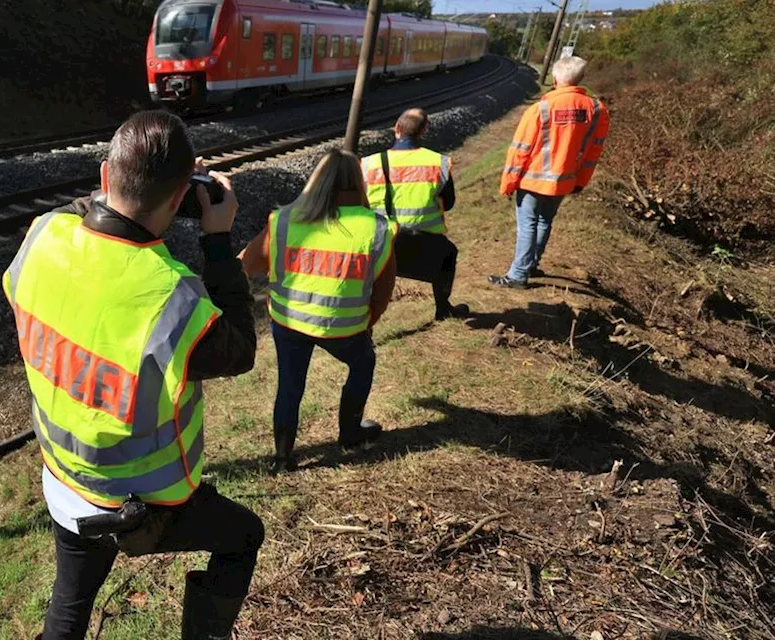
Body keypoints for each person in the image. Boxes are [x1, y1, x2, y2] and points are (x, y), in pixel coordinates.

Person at [2, 110, 265, 640]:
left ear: (103, 179)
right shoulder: (175, 301)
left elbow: (84, 210)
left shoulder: (42, 236)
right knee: (243, 536)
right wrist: (217, 239)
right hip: (144, 506)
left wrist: (133, 185)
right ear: (177, 201)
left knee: (70, 603)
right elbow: (241, 353)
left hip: (64, 480)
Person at [238, 149, 398, 474]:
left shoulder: (283, 221)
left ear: (315, 180)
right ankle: (351, 436)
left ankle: (283, 459)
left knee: (290, 386)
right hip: (345, 328)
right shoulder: (377, 230)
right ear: (359, 183)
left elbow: (246, 265)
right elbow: (382, 294)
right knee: (363, 362)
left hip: (288, 321)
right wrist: (366, 324)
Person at [489, 56, 610, 288]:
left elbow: (520, 150)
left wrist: (508, 182)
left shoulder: (540, 109)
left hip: (533, 180)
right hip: (565, 180)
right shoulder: (597, 110)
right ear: (580, 79)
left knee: (528, 225)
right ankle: (531, 264)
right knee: (545, 221)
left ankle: (517, 275)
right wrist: (581, 181)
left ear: (555, 79)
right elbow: (594, 150)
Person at [360, 108, 469, 321]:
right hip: (425, 247)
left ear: (396, 129)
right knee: (449, 253)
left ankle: (365, 320)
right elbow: (449, 204)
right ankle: (442, 309)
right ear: (424, 131)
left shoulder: (369, 164)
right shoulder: (438, 162)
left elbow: (360, 204)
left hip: (382, 245)